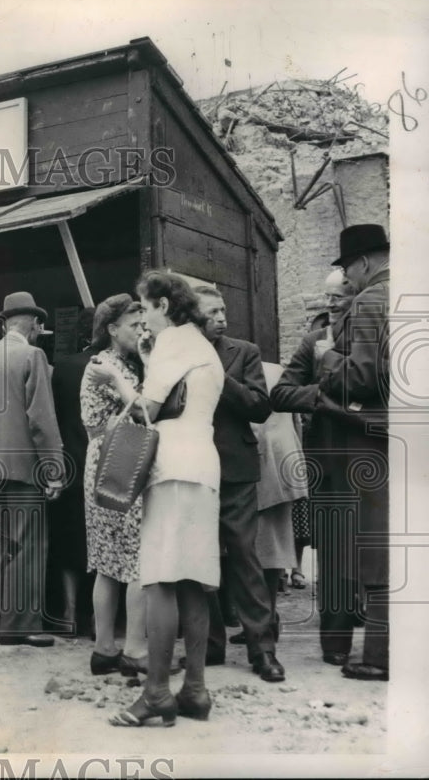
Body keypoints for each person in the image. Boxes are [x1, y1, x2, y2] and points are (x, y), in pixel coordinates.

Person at [88, 271, 223, 726]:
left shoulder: (173, 343)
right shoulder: (199, 345)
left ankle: (157, 694)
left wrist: (120, 379)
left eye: (144, 308)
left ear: (164, 306)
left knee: (160, 578)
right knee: (192, 579)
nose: (142, 319)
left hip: (171, 469)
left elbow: (146, 411)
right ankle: (196, 692)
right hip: (202, 466)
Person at [279, 224, 391, 680]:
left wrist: (327, 364)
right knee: (369, 548)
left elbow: (363, 378)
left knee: (370, 551)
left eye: (347, 274)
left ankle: (378, 656)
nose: (345, 288)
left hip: (357, 446)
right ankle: (346, 646)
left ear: (361, 263)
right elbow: (284, 390)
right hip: (381, 441)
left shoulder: (370, 302)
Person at [271, 267, 362, 667]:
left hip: (374, 455)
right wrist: (324, 396)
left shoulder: (373, 339)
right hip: (328, 459)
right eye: (326, 296)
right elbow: (281, 392)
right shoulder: (313, 342)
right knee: (337, 551)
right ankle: (336, 642)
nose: (331, 302)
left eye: (339, 294)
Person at [193, 285, 282, 682]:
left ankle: (262, 650)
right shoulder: (175, 354)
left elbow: (261, 407)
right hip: (193, 467)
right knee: (199, 559)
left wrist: (218, 378)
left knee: (245, 558)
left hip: (236, 471)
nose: (223, 318)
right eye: (213, 312)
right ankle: (209, 646)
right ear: (193, 317)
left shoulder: (244, 352)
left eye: (224, 310)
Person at [0, 291, 65, 647]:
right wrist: (54, 469)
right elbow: (41, 418)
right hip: (25, 467)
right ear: (34, 324)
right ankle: (18, 625)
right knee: (26, 546)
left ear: (6, 321)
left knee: (2, 545)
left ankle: (0, 619)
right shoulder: (33, 355)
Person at [79, 295, 148, 674]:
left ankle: (104, 649)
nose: (141, 329)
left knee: (108, 561)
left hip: (108, 458)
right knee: (136, 559)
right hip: (119, 458)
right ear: (111, 328)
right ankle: (134, 650)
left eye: (143, 321)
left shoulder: (122, 362)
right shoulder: (106, 365)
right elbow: (141, 410)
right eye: (134, 323)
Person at [227, 362, 308, 648]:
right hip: (280, 461)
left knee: (264, 548)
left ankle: (265, 620)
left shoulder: (249, 370)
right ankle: (263, 619)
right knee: (266, 547)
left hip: (264, 461)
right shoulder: (276, 370)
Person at [49, 307, 97, 639]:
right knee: (98, 542)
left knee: (68, 539)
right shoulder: (118, 367)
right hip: (102, 461)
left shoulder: (62, 368)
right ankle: (95, 616)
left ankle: (67, 613)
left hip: (68, 462)